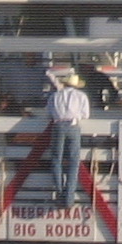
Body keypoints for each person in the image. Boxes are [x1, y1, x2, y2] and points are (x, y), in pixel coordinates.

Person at [45, 66, 92, 209]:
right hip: (73, 126)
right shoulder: (81, 96)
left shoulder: (55, 96)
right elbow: (86, 115)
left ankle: (59, 192)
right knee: (73, 162)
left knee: (56, 160)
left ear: (65, 84)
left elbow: (49, 112)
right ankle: (69, 197)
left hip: (58, 126)